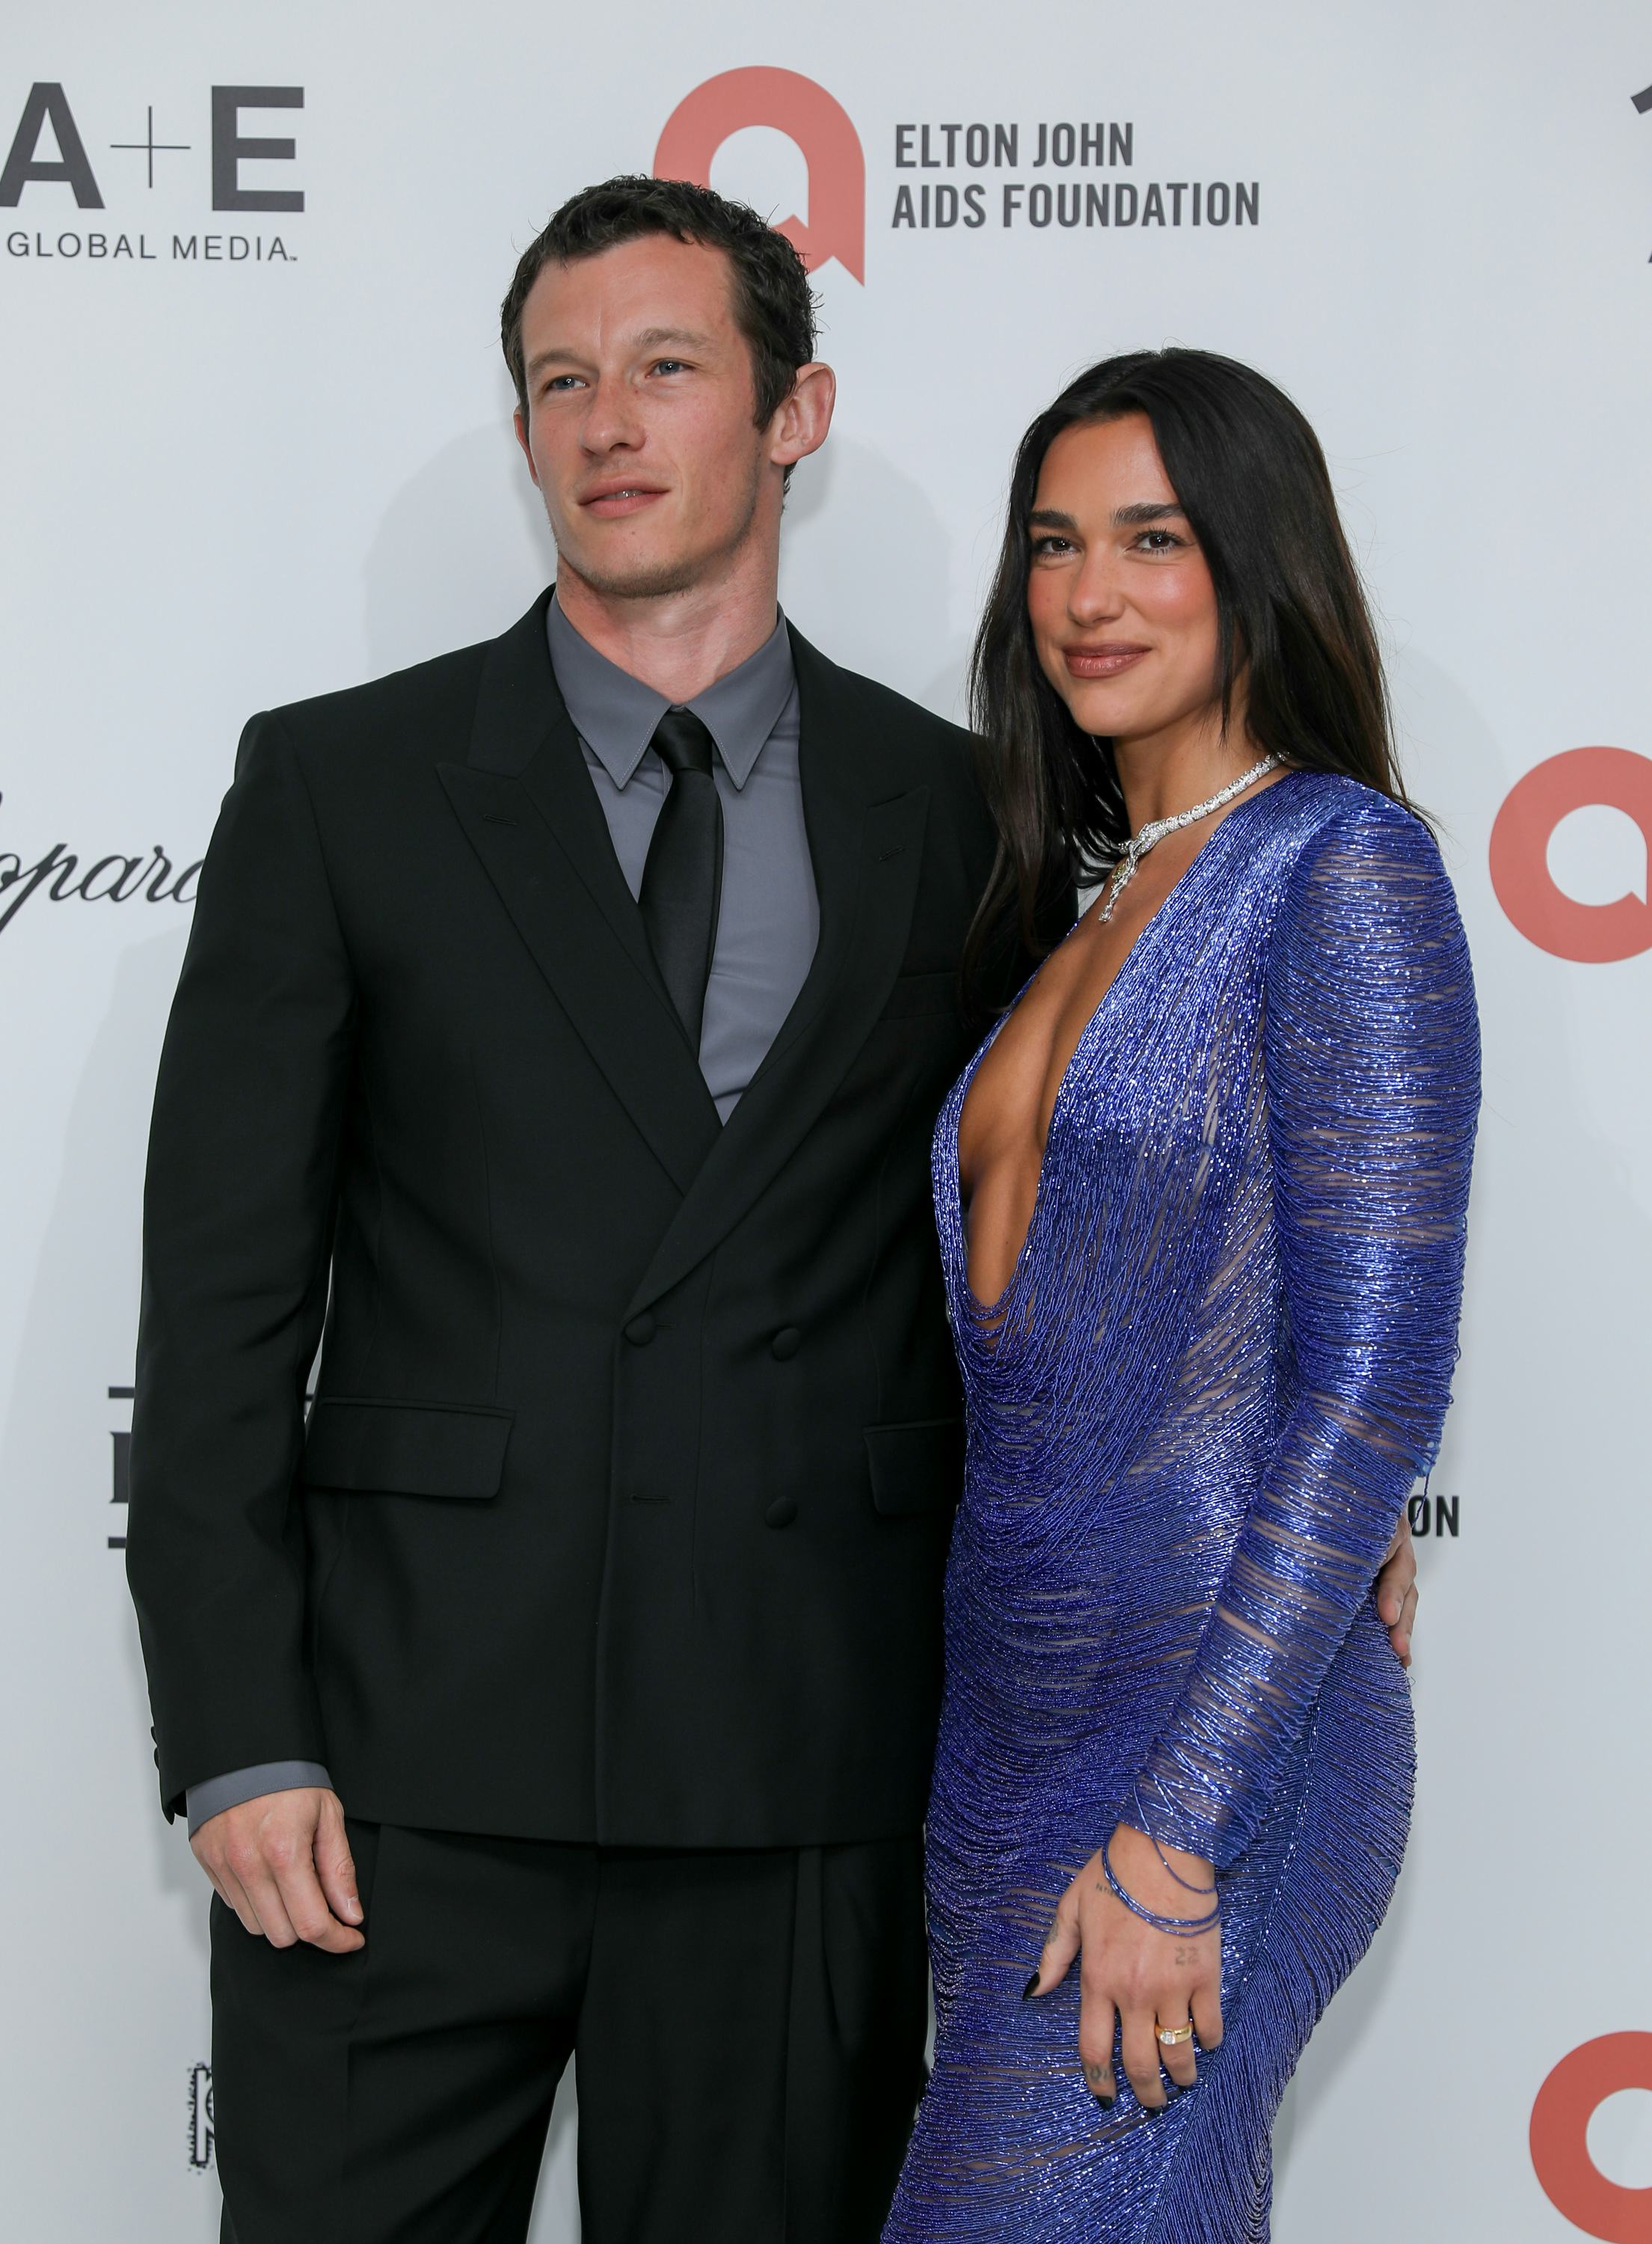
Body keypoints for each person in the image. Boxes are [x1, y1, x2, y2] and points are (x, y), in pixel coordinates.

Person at [125, 177, 1422, 2244]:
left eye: (665, 367)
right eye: (560, 380)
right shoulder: (339, 786)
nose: (606, 422)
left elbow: (1112, 1211)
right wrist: (235, 1736)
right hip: (392, 1778)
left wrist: (1315, 1499)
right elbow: (215, 1312)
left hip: (808, 1781)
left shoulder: (980, 814)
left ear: (792, 412)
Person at [882, 351, 1478, 2241]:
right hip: (1007, 1730)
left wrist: (1178, 1831)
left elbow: (1371, 1381)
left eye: (1152, 540)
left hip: (1211, 1741)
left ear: (1255, 562)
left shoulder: (1339, 865)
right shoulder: (1083, 905)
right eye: (1054, 544)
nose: (1088, 595)